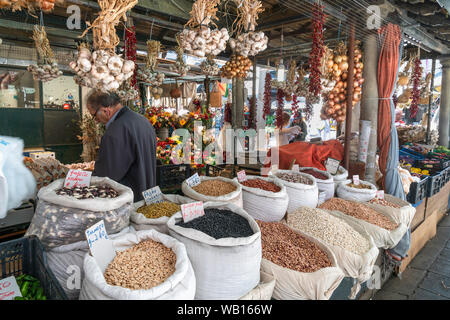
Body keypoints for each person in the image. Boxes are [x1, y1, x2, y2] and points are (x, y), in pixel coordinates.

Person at [86, 91, 157, 202]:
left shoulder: (116, 131)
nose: (96, 121)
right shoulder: (143, 120)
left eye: (94, 115)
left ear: (106, 110)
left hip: (128, 197)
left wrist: (90, 181)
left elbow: (107, 175)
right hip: (148, 192)